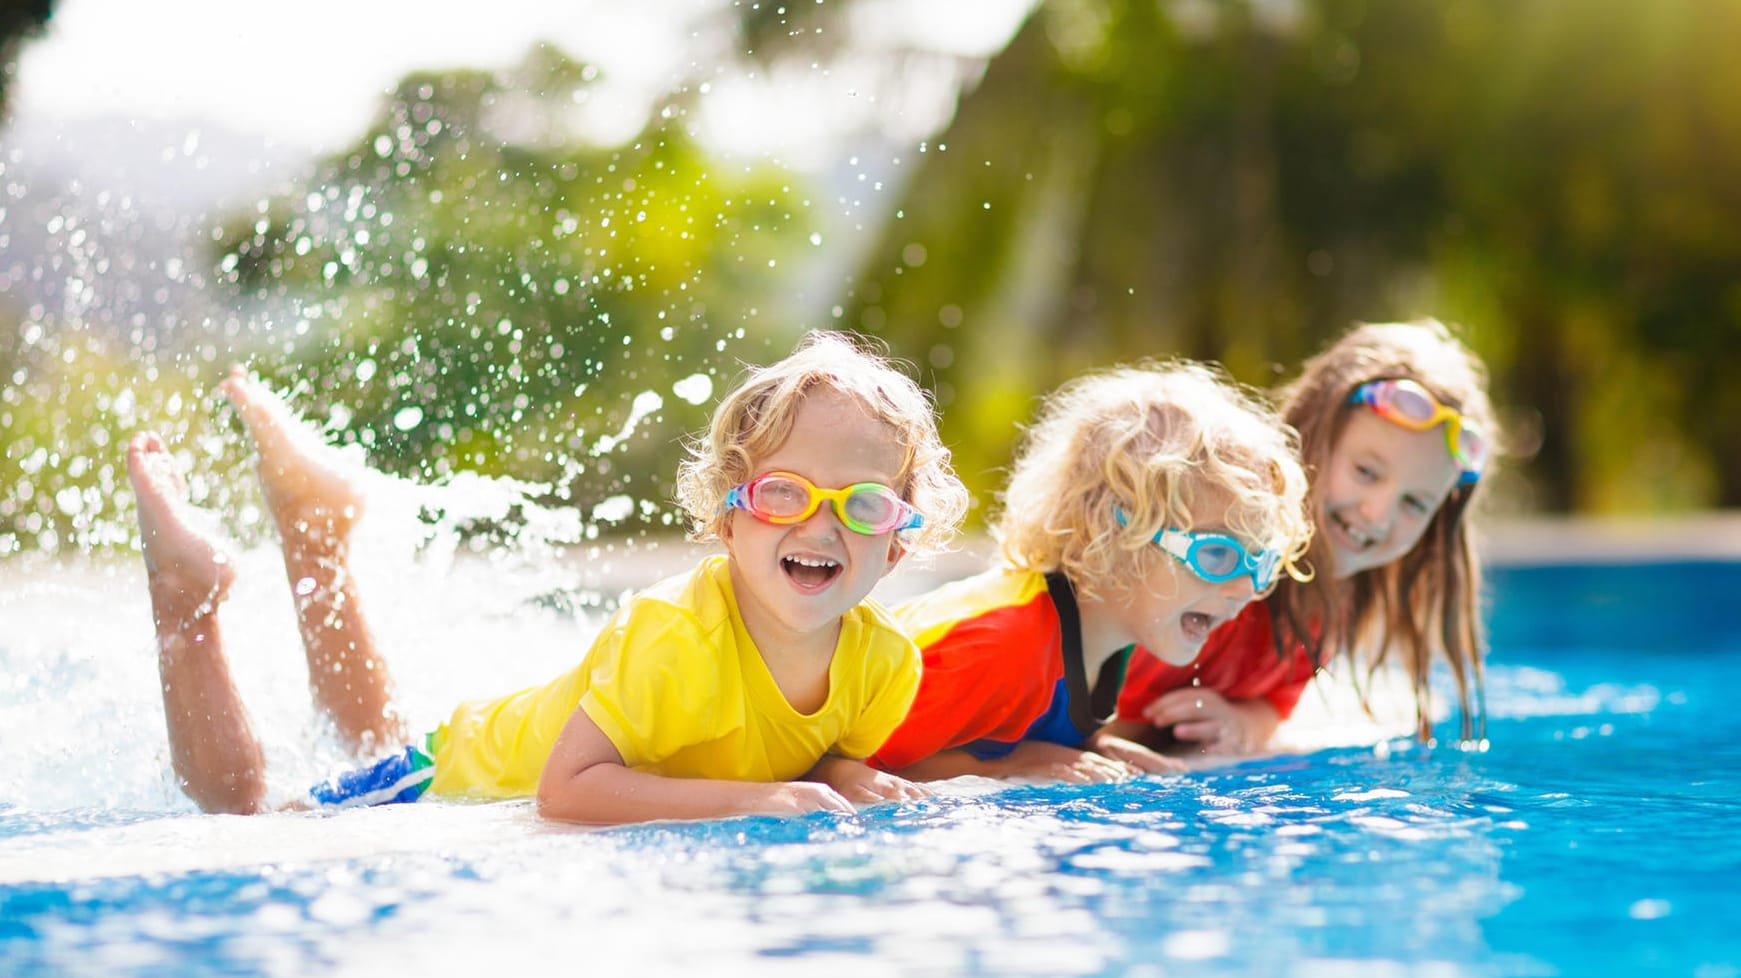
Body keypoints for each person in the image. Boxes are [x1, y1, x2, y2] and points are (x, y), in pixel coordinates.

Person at [129, 331, 970, 824]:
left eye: (861, 505)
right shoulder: (675, 636)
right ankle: (188, 603)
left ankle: (318, 534)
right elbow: (565, 794)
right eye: (785, 493)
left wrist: (839, 775)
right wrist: (756, 802)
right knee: (253, 821)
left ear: (899, 539)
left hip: (491, 755)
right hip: (461, 771)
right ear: (728, 516)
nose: (820, 524)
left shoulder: (884, 666)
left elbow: (804, 757)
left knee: (366, 734)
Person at [866, 361, 1314, 783]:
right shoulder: (1004, 644)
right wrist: (1020, 763)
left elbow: (1024, 724)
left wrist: (1099, 747)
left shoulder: (1105, 640)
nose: (1248, 589)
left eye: (1262, 564)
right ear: (1114, 534)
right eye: (1217, 555)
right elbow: (856, 766)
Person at [1104, 319, 1499, 757]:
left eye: (1414, 504)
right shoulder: (1211, 556)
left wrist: (1241, 723)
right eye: (1365, 472)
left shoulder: (1332, 599)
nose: (1378, 514)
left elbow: (1275, 704)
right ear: (1306, 436)